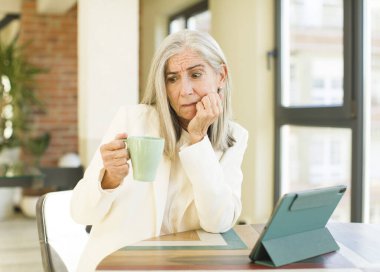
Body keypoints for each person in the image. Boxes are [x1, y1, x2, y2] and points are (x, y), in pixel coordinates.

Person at [71, 29, 248, 272]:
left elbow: (218, 221)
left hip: (186, 266)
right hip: (118, 265)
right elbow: (80, 213)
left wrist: (198, 140)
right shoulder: (134, 120)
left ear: (221, 76)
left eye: (196, 75)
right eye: (172, 78)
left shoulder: (235, 137)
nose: (184, 90)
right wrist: (109, 179)